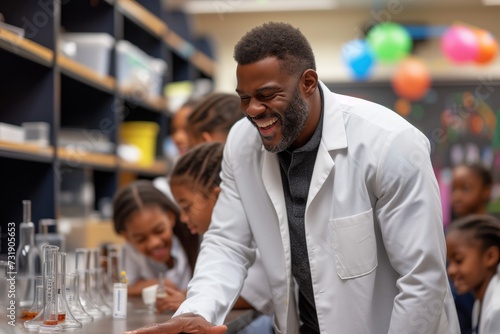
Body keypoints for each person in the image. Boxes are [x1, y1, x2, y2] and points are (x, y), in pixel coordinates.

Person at [124, 22, 459, 334]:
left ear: (307, 83)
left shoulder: (389, 144)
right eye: (244, 98)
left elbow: (422, 280)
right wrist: (197, 309)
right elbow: (227, 242)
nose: (253, 110)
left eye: (267, 95)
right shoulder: (242, 144)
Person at [162, 142, 273, 333]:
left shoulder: (259, 226)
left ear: (217, 197)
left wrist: (190, 300)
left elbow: (257, 293)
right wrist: (197, 303)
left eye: (187, 207)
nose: (182, 218)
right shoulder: (217, 238)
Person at [112, 180, 193, 296]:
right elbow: (124, 288)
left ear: (171, 217)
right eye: (141, 239)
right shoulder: (130, 250)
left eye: (159, 230)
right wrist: (161, 283)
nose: (154, 243)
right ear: (127, 237)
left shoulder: (195, 234)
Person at [449, 162, 493, 334]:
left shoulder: (493, 237)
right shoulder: (447, 235)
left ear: (486, 190)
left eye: (465, 188)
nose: (457, 196)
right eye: (454, 189)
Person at [445, 214, 500, 334]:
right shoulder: (479, 303)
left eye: (459, 260)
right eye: (449, 262)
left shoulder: (497, 308)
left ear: (490, 257)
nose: (451, 270)